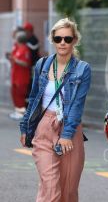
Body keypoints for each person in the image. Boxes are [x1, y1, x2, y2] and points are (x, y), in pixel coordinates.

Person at [19, 18, 91, 202]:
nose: (62, 43)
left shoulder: (83, 70)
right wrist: (25, 126)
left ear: (75, 40)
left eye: (67, 39)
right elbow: (34, 98)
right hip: (44, 128)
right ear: (52, 39)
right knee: (50, 190)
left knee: (68, 192)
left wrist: (67, 134)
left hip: (70, 129)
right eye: (58, 38)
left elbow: (77, 105)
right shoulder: (42, 65)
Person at [7, 30, 32, 120]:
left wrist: (15, 60)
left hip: (22, 77)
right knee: (14, 94)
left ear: (19, 39)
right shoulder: (17, 48)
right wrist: (10, 57)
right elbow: (13, 59)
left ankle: (21, 113)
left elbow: (26, 63)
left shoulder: (25, 49)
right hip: (15, 76)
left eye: (16, 38)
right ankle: (17, 111)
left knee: (20, 95)